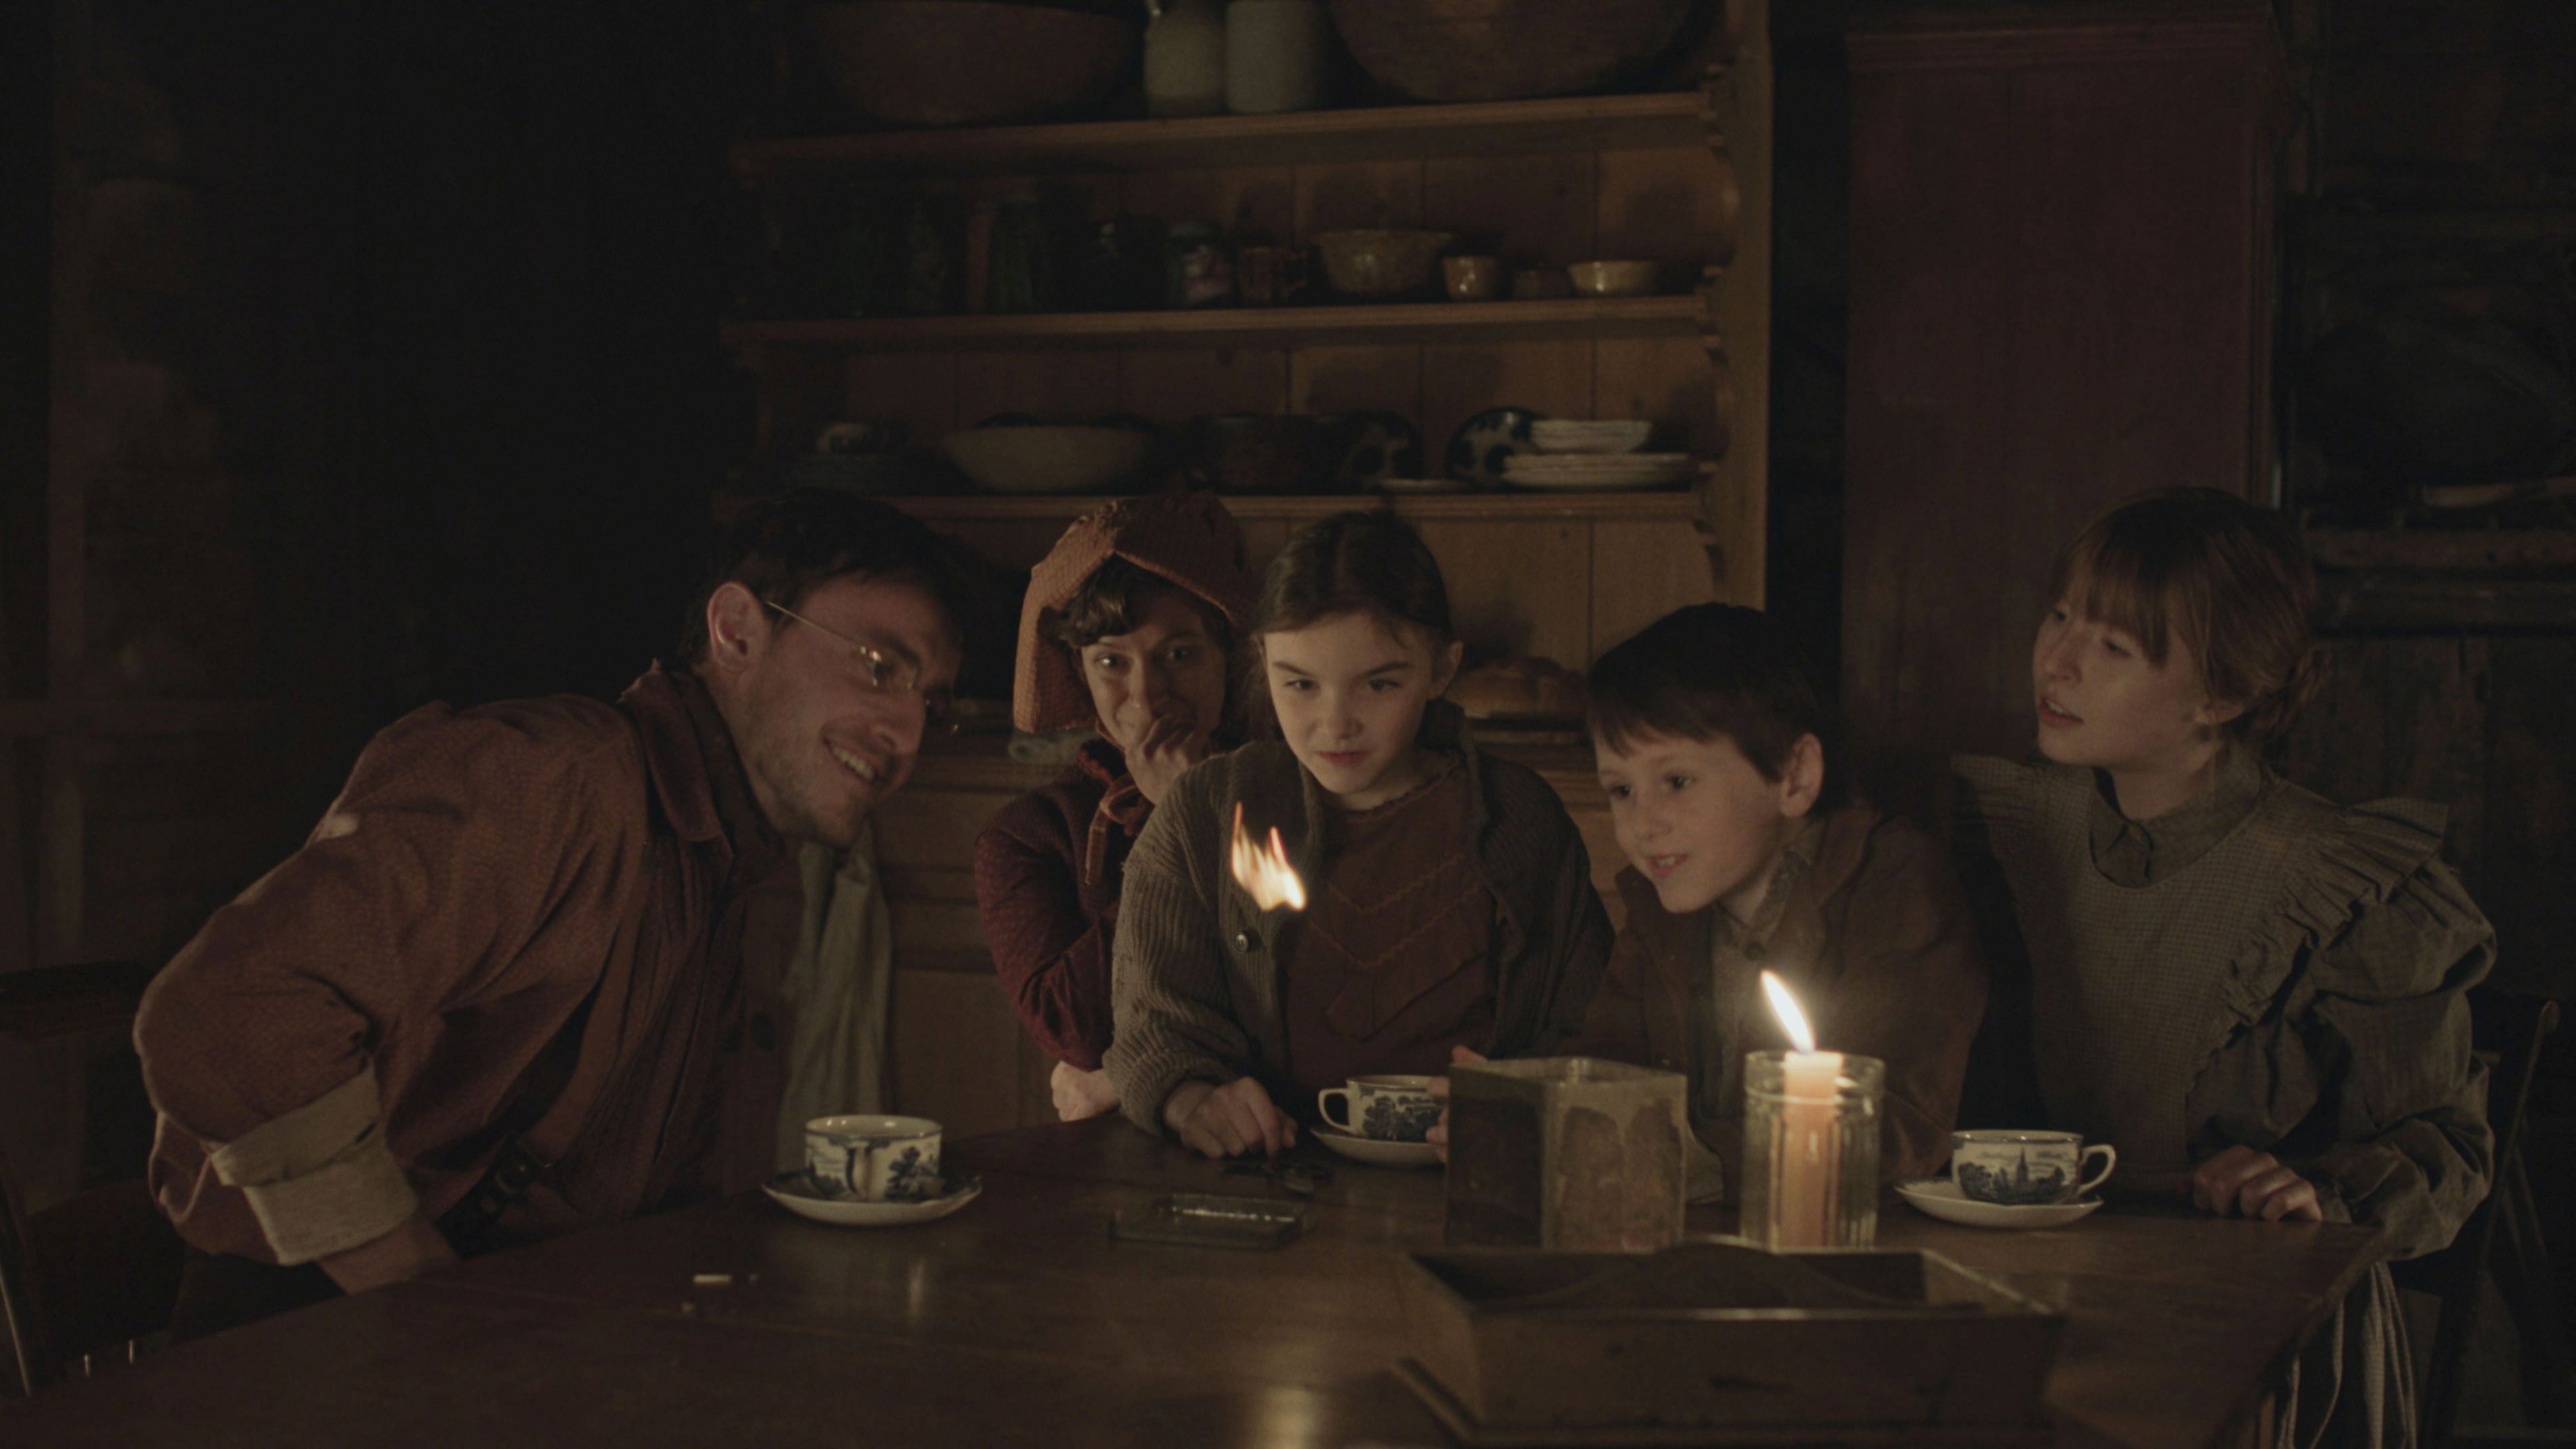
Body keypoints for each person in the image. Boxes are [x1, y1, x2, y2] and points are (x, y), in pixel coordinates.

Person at [133, 490, 977, 1338]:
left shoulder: (727, 860)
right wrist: (419, 1290)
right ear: (737, 632)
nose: (907, 734)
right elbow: (227, 1007)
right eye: (880, 666)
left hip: (524, 1336)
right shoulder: (557, 783)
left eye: (933, 706)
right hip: (319, 1340)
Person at [1953, 486, 2492, 1448]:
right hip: (2054, 1291)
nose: (2058, 661)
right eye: (2061, 616)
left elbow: (2449, 1149)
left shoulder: (2339, 884)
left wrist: (2318, 1192)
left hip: (2260, 1332)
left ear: (2221, 699)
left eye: (2114, 647)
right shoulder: (2022, 829)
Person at [1104, 510, 1614, 1159]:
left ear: (1442, 669)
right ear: (1262, 661)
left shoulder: (1518, 818)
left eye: (1379, 684)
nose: (1334, 723)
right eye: (1300, 684)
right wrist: (1192, 1100)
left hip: (1479, 1176)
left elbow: (1590, 1025)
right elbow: (1152, 1027)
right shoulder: (1205, 812)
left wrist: (1529, 1105)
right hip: (1265, 1181)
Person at [1481, 603, 1984, 1201]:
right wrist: (1518, 1108)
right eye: (1621, 790)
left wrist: (1701, 1160)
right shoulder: (1665, 908)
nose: (1643, 824)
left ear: (1795, 776)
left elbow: (1902, 1119)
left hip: (1881, 1238)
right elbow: (1609, 1059)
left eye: (1677, 782)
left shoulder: (1891, 882)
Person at [973, 494, 1257, 1122]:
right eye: (1111, 662)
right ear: (1079, 675)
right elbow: (1074, 1030)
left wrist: (1121, 1079)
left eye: (1179, 655)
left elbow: (1305, 997)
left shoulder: (1286, 795)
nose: (1148, 696)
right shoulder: (1029, 834)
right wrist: (1173, 822)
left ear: (1228, 657)